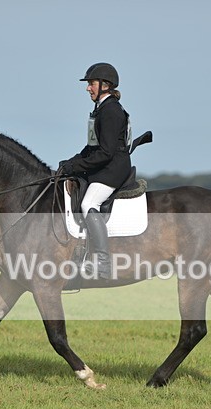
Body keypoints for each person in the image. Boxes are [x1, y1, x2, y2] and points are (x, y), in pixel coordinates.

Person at [58, 62, 132, 279]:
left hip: (113, 167)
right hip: (105, 163)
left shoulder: (111, 111)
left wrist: (76, 166)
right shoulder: (101, 108)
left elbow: (106, 152)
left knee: (89, 203)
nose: (88, 88)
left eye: (91, 83)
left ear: (105, 85)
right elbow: (92, 147)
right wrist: (70, 162)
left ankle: (102, 261)